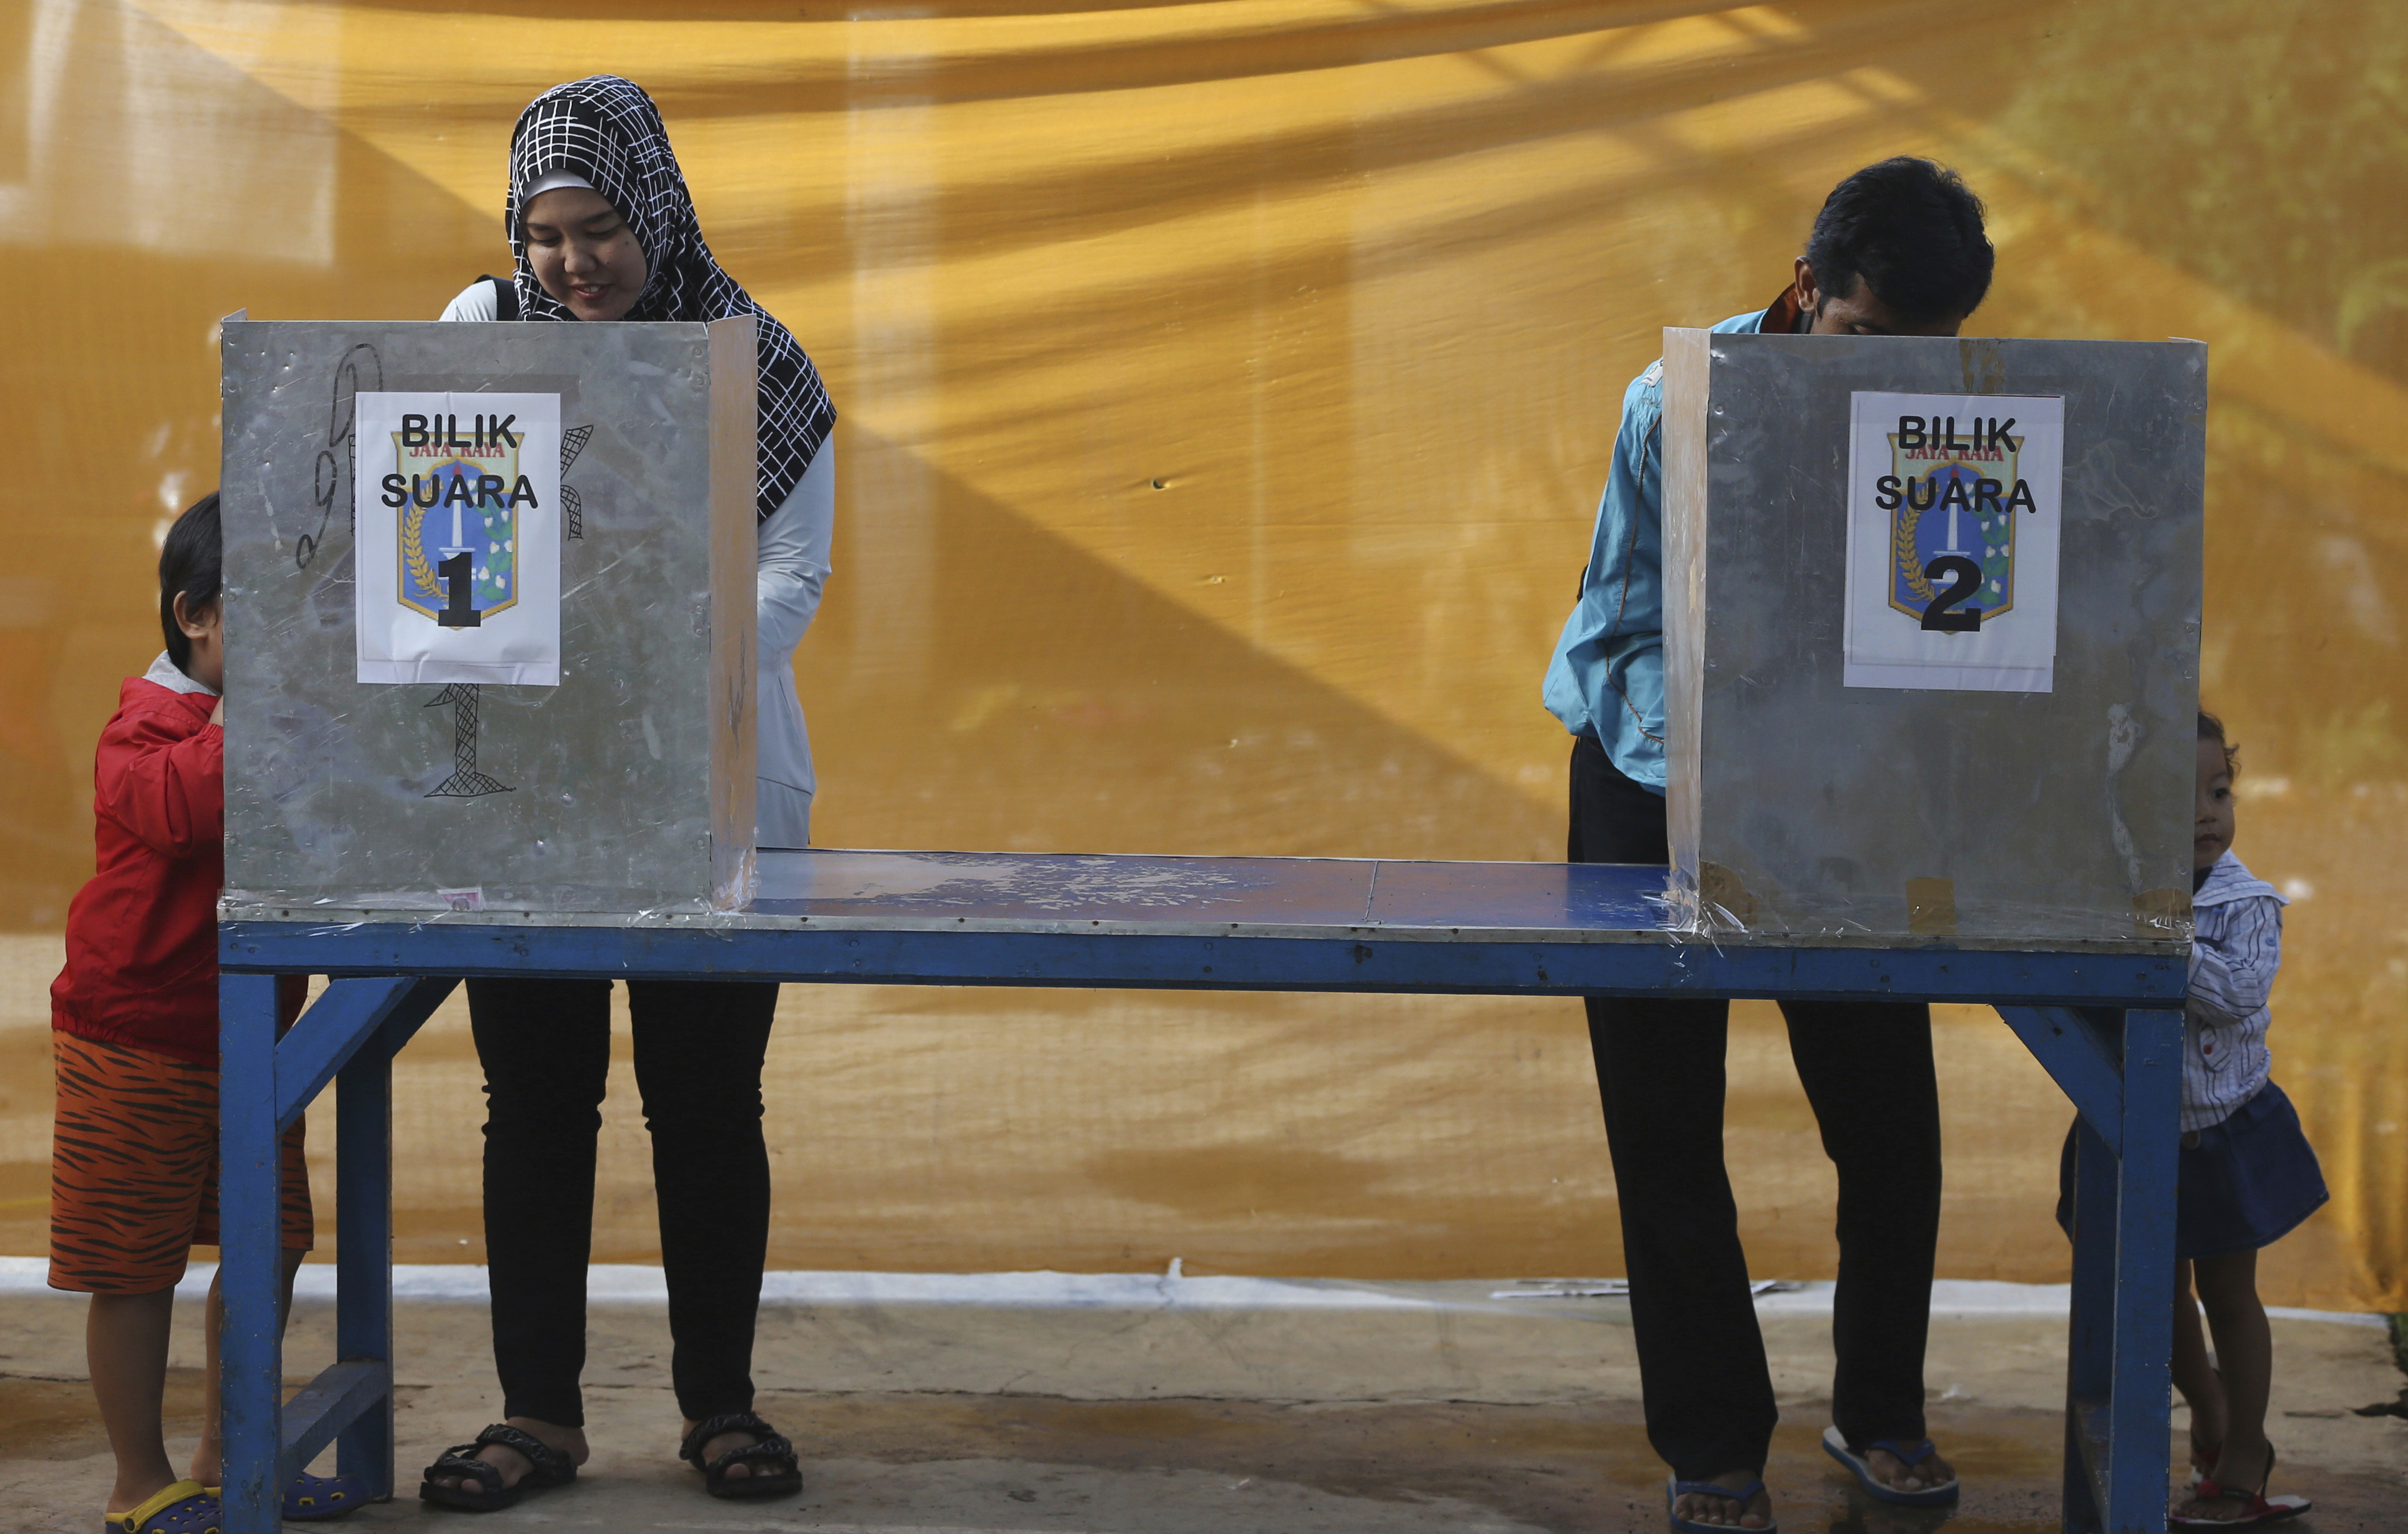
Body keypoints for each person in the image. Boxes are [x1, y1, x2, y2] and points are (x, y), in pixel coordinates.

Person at [1541, 157, 1996, 1532]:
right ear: (1808, 292)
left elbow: (1948, 613)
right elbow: (1713, 640)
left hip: (1835, 778)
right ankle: (1713, 1444)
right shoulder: (1676, 404)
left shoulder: (1948, 407)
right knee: (1667, 1127)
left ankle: (1880, 1411)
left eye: (1921, 356)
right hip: (1649, 764)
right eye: (1863, 344)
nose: (1884, 382)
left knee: (1889, 1117)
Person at [416, 75, 832, 1510]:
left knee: (708, 1099)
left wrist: (662, 665)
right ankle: (540, 1415)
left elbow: (795, 573)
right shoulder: (483, 335)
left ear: (654, 208)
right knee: (534, 1096)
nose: (573, 262)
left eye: (599, 228)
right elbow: (438, 518)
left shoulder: (754, 356)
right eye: (545, 234)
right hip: (523, 788)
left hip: (708, 778)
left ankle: (722, 1406)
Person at [50, 493, 360, 1531]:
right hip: (132, 1041)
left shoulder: (266, 724)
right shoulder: (141, 728)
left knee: (268, 1245)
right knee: (134, 1267)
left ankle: (238, 1453)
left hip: (253, 1040)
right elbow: (187, 808)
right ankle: (139, 1484)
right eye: (278, 620)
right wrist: (275, 711)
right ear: (197, 616)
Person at [2058, 711, 2325, 1530]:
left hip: (2223, 1134)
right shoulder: (2108, 894)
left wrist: (2159, 926)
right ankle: (2206, 1407)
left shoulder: (2246, 905)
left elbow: (2237, 992)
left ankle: (2246, 1450)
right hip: (2130, 1132)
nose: (2208, 813)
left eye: (2218, 791)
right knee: (2151, 1293)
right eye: (2180, 799)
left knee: (2229, 1295)